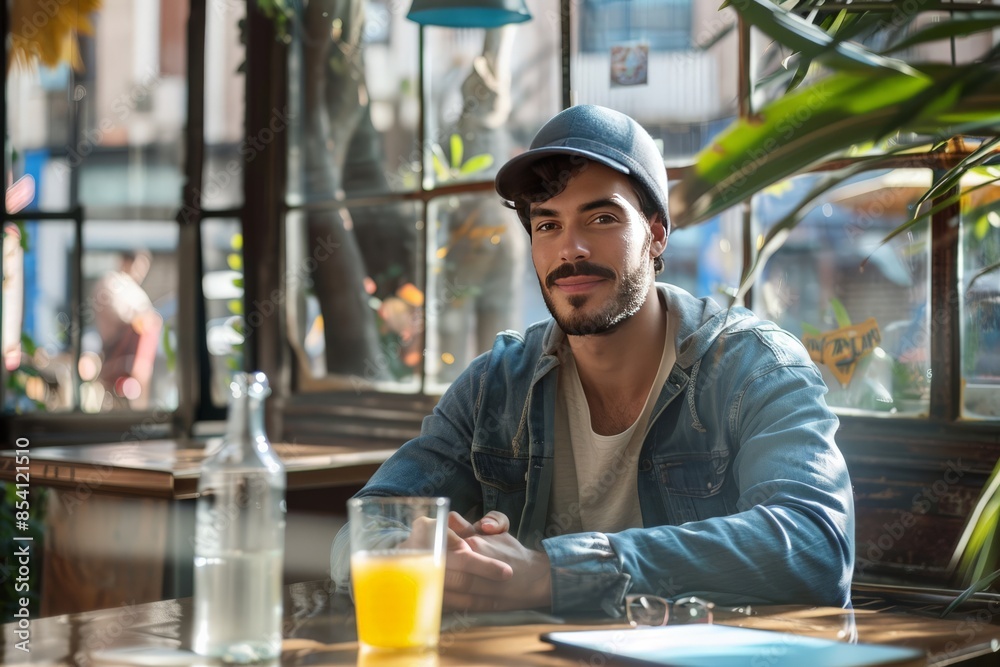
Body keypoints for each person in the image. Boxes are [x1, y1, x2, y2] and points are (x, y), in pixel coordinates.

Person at [331, 105, 855, 616]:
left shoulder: (753, 366)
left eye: (601, 218)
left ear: (656, 234)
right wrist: (425, 557)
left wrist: (554, 573)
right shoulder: (497, 385)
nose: (571, 250)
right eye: (547, 225)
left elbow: (815, 544)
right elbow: (363, 526)